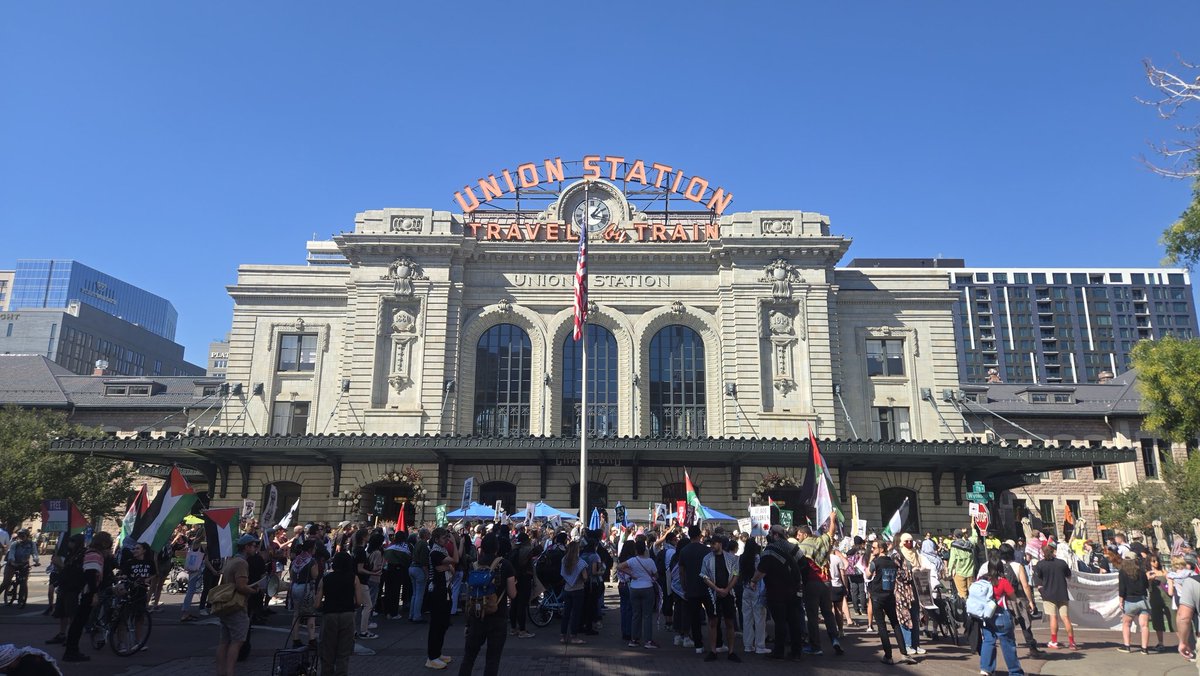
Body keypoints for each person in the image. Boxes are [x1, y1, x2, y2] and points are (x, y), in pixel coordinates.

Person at [458, 533, 517, 676]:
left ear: (482, 548)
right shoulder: (505, 565)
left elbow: (469, 590)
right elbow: (512, 594)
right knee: (492, 659)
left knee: (469, 657)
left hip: (476, 616)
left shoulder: (474, 565)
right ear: (497, 548)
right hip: (497, 616)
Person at [751, 525, 806, 661]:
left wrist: (753, 581)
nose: (769, 535)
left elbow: (761, 570)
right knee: (794, 622)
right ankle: (796, 652)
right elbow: (804, 565)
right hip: (793, 591)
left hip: (776, 592)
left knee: (780, 622)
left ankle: (779, 651)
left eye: (770, 533)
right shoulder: (794, 548)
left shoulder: (769, 550)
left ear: (775, 535)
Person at [62, 532, 113, 663]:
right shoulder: (94, 555)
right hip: (86, 592)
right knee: (79, 622)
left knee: (79, 622)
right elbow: (90, 575)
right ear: (104, 543)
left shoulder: (90, 552)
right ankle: (71, 651)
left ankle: (72, 649)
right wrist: (94, 593)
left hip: (84, 591)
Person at [795, 523, 843, 655]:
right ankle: (835, 639)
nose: (797, 537)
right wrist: (832, 519)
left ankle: (816, 646)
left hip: (811, 583)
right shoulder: (822, 541)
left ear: (805, 534)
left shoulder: (801, 547)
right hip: (827, 582)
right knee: (828, 613)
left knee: (812, 616)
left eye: (799, 534)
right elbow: (831, 532)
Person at [215, 534, 260, 676]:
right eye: (253, 545)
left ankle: (221, 672)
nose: (255, 548)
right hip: (236, 605)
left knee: (224, 642)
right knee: (237, 642)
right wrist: (253, 590)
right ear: (246, 547)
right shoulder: (242, 563)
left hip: (226, 604)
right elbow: (241, 586)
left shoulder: (231, 560)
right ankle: (230, 672)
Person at [865, 537, 912, 665]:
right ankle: (904, 653)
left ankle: (888, 655)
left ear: (880, 549)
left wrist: (870, 560)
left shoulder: (876, 562)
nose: (872, 550)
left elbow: (867, 575)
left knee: (882, 626)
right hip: (890, 595)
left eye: (874, 548)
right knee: (895, 624)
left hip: (877, 596)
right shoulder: (892, 562)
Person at [979, 554, 1026, 676]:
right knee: (1008, 644)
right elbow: (1013, 597)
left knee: (988, 641)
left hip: (985, 615)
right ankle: (1015, 672)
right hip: (1000, 614)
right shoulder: (1003, 581)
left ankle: (986, 669)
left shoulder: (982, 580)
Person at [317, 551, 360, 676]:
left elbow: (317, 604)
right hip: (347, 614)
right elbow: (359, 601)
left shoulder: (326, 578)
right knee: (343, 653)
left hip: (330, 615)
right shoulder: (354, 578)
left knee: (327, 652)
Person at [996, 543, 1043, 657]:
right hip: (1018, 597)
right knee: (1024, 623)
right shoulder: (1018, 566)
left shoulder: (997, 566)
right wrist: (1030, 601)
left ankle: (1011, 651)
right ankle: (1032, 647)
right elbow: (1025, 585)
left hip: (1003, 599)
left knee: (1008, 625)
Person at [698, 534, 740, 662]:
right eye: (711, 543)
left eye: (714, 543)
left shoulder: (731, 558)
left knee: (729, 622)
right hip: (713, 593)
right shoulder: (707, 558)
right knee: (713, 622)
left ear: (720, 544)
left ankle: (731, 651)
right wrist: (717, 589)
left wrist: (727, 589)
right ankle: (713, 650)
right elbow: (704, 576)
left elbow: (736, 574)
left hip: (728, 593)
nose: (712, 546)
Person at [425, 527, 458, 670]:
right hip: (437, 591)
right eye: (444, 538)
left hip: (445, 590)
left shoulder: (442, 551)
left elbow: (453, 569)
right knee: (436, 625)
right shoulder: (436, 552)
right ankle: (431, 657)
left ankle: (437, 653)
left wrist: (448, 567)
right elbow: (456, 560)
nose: (447, 540)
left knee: (443, 624)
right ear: (437, 539)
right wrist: (455, 544)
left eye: (447, 537)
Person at [1031, 543, 1076, 650]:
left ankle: (1054, 641)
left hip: (1048, 594)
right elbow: (1069, 575)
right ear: (1053, 552)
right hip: (1062, 593)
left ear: (1043, 553)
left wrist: (1042, 592)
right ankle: (1072, 642)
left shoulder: (1040, 564)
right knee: (1065, 618)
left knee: (1053, 617)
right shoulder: (1061, 563)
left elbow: (1038, 582)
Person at [675, 525, 711, 654]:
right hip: (706, 587)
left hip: (691, 587)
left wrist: (684, 586)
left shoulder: (684, 551)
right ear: (700, 535)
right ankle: (716, 643)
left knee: (694, 618)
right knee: (712, 616)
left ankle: (698, 645)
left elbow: (681, 571)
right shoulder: (706, 550)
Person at [893, 533, 927, 656]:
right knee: (905, 617)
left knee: (916, 616)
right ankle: (907, 645)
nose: (909, 543)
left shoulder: (916, 553)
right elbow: (896, 573)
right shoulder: (897, 555)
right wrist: (910, 572)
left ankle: (916, 644)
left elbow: (921, 565)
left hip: (915, 588)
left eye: (911, 541)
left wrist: (921, 570)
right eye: (906, 541)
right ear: (902, 542)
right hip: (903, 591)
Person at [1117, 552, 1152, 654]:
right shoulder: (1141, 571)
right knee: (1144, 625)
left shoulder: (1123, 572)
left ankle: (1127, 646)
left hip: (1129, 600)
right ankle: (1144, 648)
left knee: (1126, 624)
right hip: (1142, 600)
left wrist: (1121, 601)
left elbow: (1122, 588)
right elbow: (1146, 585)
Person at [737, 538, 768, 654]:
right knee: (759, 618)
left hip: (745, 588)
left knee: (747, 618)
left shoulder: (742, 558)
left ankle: (748, 645)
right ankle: (760, 645)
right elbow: (760, 572)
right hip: (757, 589)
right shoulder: (757, 558)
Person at [506, 531, 535, 639]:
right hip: (524, 579)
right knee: (521, 605)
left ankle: (513, 628)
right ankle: (522, 630)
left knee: (514, 603)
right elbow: (528, 566)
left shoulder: (513, 550)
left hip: (513, 579)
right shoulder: (527, 551)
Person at [1168, 556, 1199, 661]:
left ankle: (1191, 649)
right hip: (1194, 598)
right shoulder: (1192, 574)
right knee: (1196, 622)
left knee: (1186, 626)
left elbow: (1170, 592)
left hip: (1181, 600)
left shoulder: (1172, 576)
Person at [559, 540, 588, 645]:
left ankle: (562, 635)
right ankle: (573, 636)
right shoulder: (580, 562)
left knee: (566, 613)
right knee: (576, 614)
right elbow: (585, 577)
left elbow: (563, 574)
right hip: (578, 589)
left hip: (567, 589)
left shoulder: (564, 560)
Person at [0, 530, 39, 606]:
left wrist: (36, 561)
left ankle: (21, 599)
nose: (21, 538)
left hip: (24, 564)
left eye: (23, 536)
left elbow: (35, 553)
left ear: (27, 536)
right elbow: (11, 553)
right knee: (6, 582)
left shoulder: (31, 544)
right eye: (19, 536)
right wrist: (12, 561)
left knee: (23, 582)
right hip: (12, 564)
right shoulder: (15, 544)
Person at [1146, 555, 1173, 651]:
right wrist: (1150, 579)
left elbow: (1170, 582)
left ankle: (1183, 641)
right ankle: (1160, 642)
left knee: (1173, 619)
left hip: (1167, 598)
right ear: (1149, 562)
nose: (1156, 562)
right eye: (1153, 561)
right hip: (1155, 598)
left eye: (1157, 560)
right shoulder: (1148, 573)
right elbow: (1148, 588)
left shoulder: (1164, 571)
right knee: (1157, 620)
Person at [410, 528, 431, 623]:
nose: (429, 534)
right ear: (425, 535)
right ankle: (417, 616)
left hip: (412, 568)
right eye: (428, 533)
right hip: (419, 569)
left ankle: (412, 614)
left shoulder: (418, 543)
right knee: (419, 594)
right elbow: (424, 562)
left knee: (414, 594)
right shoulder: (424, 544)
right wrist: (427, 574)